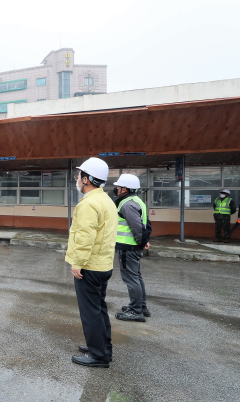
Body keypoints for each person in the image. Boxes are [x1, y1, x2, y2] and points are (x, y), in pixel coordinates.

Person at [66, 157, 118, 368]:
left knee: (90, 312)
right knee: (99, 309)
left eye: (79, 176)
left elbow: (85, 236)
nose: (77, 179)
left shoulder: (89, 204)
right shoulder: (105, 200)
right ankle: (103, 348)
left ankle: (98, 356)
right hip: (103, 264)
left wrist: (77, 262)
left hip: (90, 266)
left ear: (86, 179)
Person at [112, 174, 152, 323]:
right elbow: (146, 223)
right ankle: (140, 306)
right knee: (136, 276)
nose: (117, 189)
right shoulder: (137, 201)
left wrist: (142, 241)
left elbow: (136, 226)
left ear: (126, 189)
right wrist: (144, 240)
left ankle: (136, 311)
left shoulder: (127, 204)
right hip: (133, 246)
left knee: (131, 278)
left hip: (128, 247)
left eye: (119, 187)